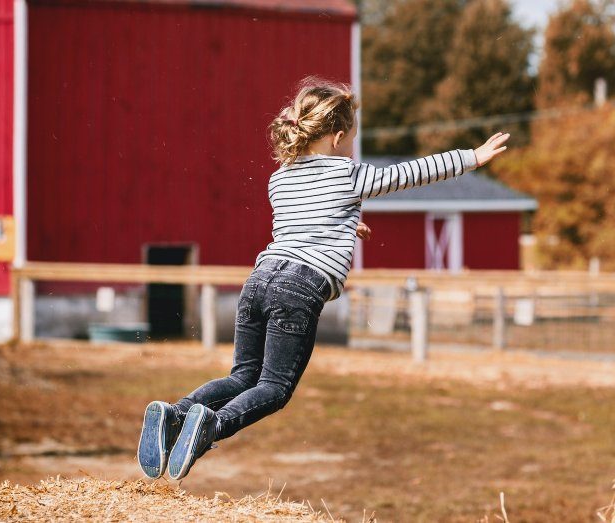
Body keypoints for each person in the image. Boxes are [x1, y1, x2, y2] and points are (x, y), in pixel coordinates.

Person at [136, 76, 510, 480]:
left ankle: (175, 413)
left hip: (259, 279)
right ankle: (212, 426)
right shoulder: (347, 175)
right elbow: (412, 172)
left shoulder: (279, 180)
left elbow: (305, 224)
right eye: (351, 138)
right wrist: (472, 156)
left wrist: (350, 227)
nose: (352, 147)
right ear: (336, 137)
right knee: (274, 387)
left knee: (242, 376)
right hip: (298, 288)